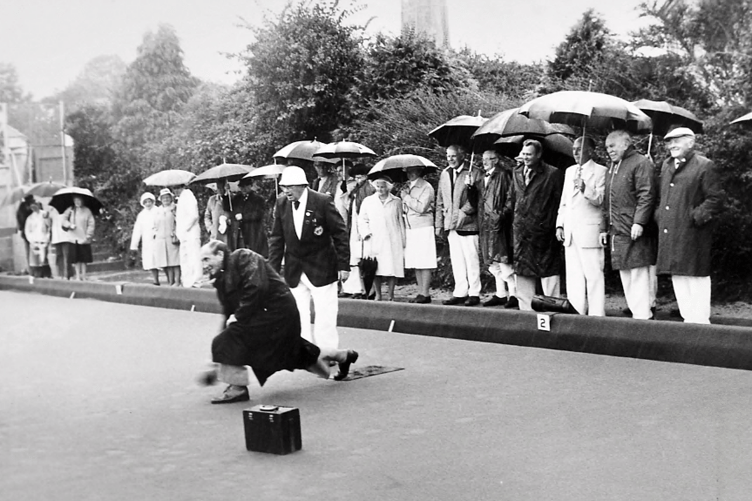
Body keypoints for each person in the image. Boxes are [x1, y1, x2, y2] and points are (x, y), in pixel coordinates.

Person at [197, 240, 360, 403]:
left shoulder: (243, 257)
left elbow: (256, 288)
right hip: (262, 317)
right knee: (298, 353)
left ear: (219, 254)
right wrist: (217, 360)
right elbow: (228, 315)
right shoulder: (220, 279)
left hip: (278, 314)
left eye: (206, 259)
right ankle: (344, 356)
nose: (204, 265)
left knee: (227, 339)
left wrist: (236, 322)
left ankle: (237, 387)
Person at [268, 166, 350, 350]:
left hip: (322, 267)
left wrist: (344, 265)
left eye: (289, 186)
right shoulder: (281, 203)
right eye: (283, 187)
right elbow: (276, 239)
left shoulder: (322, 201)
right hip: (294, 269)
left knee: (325, 314)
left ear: (302, 185)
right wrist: (272, 271)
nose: (286, 191)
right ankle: (305, 352)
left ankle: (329, 353)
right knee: (297, 313)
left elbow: (340, 233)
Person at [656, 127, 724, 324]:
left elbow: (716, 199)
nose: (672, 145)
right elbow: (663, 197)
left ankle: (702, 326)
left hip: (693, 234)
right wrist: (660, 216)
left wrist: (695, 217)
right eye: (669, 141)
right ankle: (689, 325)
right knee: (678, 277)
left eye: (677, 141)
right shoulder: (666, 165)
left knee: (696, 278)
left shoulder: (704, 165)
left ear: (691, 142)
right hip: (671, 232)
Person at [600, 130, 657, 320]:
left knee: (638, 273)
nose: (609, 150)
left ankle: (643, 317)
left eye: (612, 146)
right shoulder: (612, 167)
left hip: (634, 228)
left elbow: (646, 194)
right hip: (617, 230)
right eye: (607, 147)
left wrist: (639, 222)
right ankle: (636, 314)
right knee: (625, 273)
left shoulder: (641, 162)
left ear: (625, 144)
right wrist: (603, 228)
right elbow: (607, 201)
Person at [503, 139, 564, 311]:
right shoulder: (516, 172)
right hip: (521, 234)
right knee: (522, 276)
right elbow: (512, 199)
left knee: (549, 276)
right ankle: (526, 317)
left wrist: (554, 225)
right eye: (524, 154)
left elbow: (559, 203)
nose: (526, 157)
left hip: (544, 234)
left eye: (529, 154)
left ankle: (553, 314)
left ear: (539, 155)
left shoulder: (553, 173)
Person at [556, 137, 607, 316]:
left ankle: (597, 314)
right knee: (574, 276)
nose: (575, 152)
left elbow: (601, 200)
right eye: (574, 149)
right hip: (570, 232)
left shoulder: (601, 171)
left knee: (593, 275)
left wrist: (585, 188)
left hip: (589, 231)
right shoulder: (570, 171)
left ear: (591, 151)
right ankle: (577, 312)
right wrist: (559, 225)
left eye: (580, 149)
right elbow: (564, 201)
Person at [435, 145, 482, 306]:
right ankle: (460, 291)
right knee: (457, 260)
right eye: (448, 156)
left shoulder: (474, 171)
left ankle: (474, 292)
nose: (450, 159)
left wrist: (464, 211)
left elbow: (478, 199)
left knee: (471, 259)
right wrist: (439, 224)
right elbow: (440, 200)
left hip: (468, 224)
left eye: (453, 156)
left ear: (462, 156)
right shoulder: (445, 173)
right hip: (451, 224)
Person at [471, 149, 517, 308]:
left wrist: (502, 215)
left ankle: (513, 294)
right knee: (491, 259)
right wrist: (470, 188)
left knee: (503, 258)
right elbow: (476, 201)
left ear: (496, 160)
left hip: (499, 223)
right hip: (485, 222)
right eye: (483, 159)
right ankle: (500, 293)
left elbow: (510, 198)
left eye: (488, 159)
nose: (484, 162)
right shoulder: (481, 178)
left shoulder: (503, 175)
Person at [359, 175, 406, 301]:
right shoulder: (368, 201)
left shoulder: (396, 201)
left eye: (383, 187)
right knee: (375, 267)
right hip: (374, 238)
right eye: (378, 186)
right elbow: (362, 220)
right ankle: (378, 294)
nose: (380, 189)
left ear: (388, 188)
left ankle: (391, 294)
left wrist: (403, 239)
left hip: (392, 238)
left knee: (393, 266)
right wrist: (366, 233)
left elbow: (400, 220)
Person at [400, 165, 437, 303]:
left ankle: (425, 292)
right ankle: (420, 291)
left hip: (423, 226)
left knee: (425, 260)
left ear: (419, 171)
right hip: (410, 227)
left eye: (413, 171)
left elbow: (421, 208)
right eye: (408, 171)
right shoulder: (407, 186)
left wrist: (407, 198)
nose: (410, 174)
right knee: (415, 261)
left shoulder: (426, 187)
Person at [340, 163, 375, 298]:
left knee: (366, 259)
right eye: (357, 177)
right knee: (357, 258)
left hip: (363, 226)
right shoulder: (357, 189)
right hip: (355, 224)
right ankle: (361, 288)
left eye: (360, 177)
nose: (359, 180)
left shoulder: (368, 188)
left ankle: (368, 289)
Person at [229, 178, 269, 257]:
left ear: (250, 186)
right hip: (240, 233)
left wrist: (243, 216)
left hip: (254, 231)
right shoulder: (237, 198)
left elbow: (259, 214)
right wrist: (226, 193)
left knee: (256, 255)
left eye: (245, 186)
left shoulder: (258, 199)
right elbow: (228, 206)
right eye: (241, 187)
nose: (243, 189)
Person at [174, 184, 203, 288]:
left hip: (191, 233)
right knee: (185, 258)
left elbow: (194, 215)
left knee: (194, 257)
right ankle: (187, 282)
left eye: (177, 187)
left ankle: (196, 282)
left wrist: (184, 228)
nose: (176, 190)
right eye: (174, 188)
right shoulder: (181, 198)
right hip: (184, 235)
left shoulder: (188, 195)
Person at [130, 192, 160, 285]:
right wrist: (134, 245)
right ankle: (156, 280)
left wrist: (156, 232)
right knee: (151, 261)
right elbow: (137, 230)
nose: (148, 204)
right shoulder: (142, 215)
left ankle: (171, 280)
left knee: (162, 260)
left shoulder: (158, 211)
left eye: (149, 201)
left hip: (158, 238)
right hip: (147, 240)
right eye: (146, 202)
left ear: (153, 201)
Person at [63, 195, 95, 281]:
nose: (77, 202)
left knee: (84, 259)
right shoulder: (70, 210)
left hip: (84, 238)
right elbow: (63, 220)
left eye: (79, 200)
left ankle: (83, 275)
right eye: (75, 200)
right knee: (76, 259)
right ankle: (77, 276)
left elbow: (91, 224)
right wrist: (69, 225)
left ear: (82, 201)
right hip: (73, 238)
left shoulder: (87, 211)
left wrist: (88, 235)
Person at [153, 188, 181, 286]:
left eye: (168, 197)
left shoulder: (175, 207)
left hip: (172, 237)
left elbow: (180, 221)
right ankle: (171, 282)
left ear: (171, 198)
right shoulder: (158, 210)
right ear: (160, 199)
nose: (166, 199)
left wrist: (176, 231)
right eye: (164, 197)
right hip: (162, 239)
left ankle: (177, 281)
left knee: (176, 261)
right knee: (167, 262)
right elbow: (154, 225)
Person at [23, 198, 50, 278]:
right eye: (32, 207)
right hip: (34, 241)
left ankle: (46, 275)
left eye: (36, 206)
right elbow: (27, 230)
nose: (34, 208)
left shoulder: (44, 215)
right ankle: (37, 275)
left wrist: (47, 239)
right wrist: (31, 241)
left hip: (43, 240)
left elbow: (49, 227)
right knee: (35, 261)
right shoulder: (30, 218)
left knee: (44, 260)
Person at [48, 204, 73, 279]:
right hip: (56, 236)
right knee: (59, 256)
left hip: (66, 236)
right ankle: (61, 274)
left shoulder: (68, 209)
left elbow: (70, 221)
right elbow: (49, 223)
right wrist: (46, 216)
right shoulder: (52, 210)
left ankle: (67, 275)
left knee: (67, 256)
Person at [16, 194, 35, 272]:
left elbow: (19, 218)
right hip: (31, 231)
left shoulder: (22, 206)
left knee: (29, 251)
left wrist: (20, 228)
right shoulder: (23, 207)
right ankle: (33, 269)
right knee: (33, 251)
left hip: (28, 231)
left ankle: (32, 269)